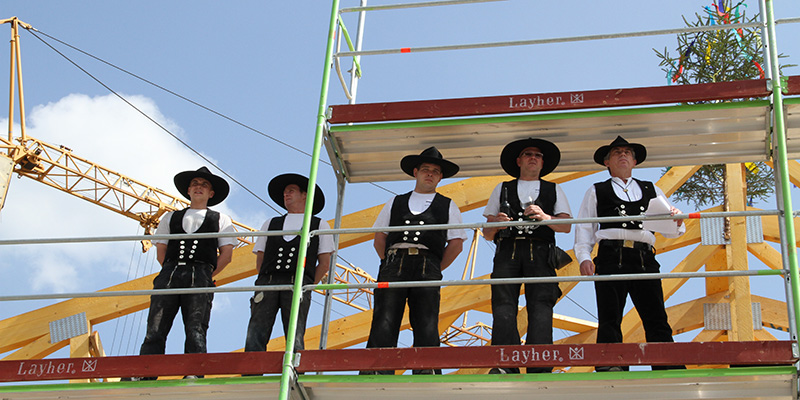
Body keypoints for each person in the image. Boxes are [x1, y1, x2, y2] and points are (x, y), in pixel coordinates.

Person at [573, 136, 686, 371]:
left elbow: (672, 229)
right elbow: (585, 227)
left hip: (644, 257)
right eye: (617, 152)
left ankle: (666, 364)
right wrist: (584, 257)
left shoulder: (651, 189)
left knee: (655, 313)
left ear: (634, 161)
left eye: (627, 152)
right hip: (610, 255)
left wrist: (676, 219)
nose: (623, 155)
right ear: (607, 162)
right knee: (610, 314)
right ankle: (611, 364)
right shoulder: (597, 190)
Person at [363, 146, 466, 375]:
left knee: (426, 319)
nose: (430, 174)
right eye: (426, 169)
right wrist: (389, 262)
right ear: (416, 172)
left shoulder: (448, 205)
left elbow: (456, 244)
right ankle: (378, 369)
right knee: (385, 317)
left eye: (436, 171)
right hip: (394, 262)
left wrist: (434, 267)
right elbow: (379, 238)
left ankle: (426, 369)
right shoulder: (395, 202)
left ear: (440, 177)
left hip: (427, 264)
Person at [482, 138, 572, 374]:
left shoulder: (554, 189)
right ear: (518, 161)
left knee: (541, 303)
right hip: (507, 250)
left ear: (542, 163)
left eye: (538, 155)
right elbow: (487, 233)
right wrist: (497, 224)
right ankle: (505, 363)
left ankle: (540, 364)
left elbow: (566, 226)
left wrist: (545, 217)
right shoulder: (502, 188)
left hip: (541, 251)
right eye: (528, 154)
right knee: (503, 304)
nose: (533, 158)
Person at [138, 166, 236, 365]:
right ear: (188, 190)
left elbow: (227, 255)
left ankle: (193, 370)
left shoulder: (221, 219)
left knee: (196, 328)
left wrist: (206, 275)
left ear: (211, 193)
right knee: (156, 326)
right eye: (195, 184)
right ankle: (145, 370)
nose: (199, 187)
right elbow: (161, 251)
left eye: (204, 185)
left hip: (201, 273)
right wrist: (170, 270)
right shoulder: (170, 217)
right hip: (170, 273)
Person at [244, 173, 333, 354]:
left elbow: (325, 263)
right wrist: (265, 280)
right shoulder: (270, 223)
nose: (286, 194)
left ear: (305, 195)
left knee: (295, 333)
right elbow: (260, 258)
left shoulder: (320, 225)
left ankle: (293, 366)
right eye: (285, 192)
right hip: (268, 282)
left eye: (291, 190)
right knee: (257, 330)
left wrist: (306, 285)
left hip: (297, 282)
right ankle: (251, 366)